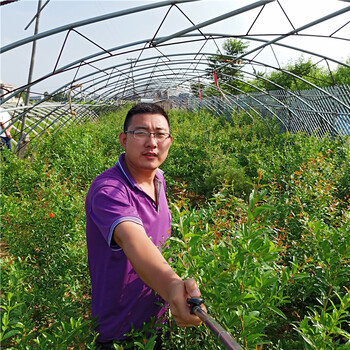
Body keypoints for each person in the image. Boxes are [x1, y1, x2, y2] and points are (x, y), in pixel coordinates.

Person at [85, 103, 204, 349]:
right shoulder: (108, 190)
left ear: (169, 141)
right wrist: (172, 285)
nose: (152, 142)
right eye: (141, 133)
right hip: (119, 329)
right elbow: (133, 239)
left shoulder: (158, 178)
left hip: (157, 318)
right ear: (123, 139)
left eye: (160, 134)